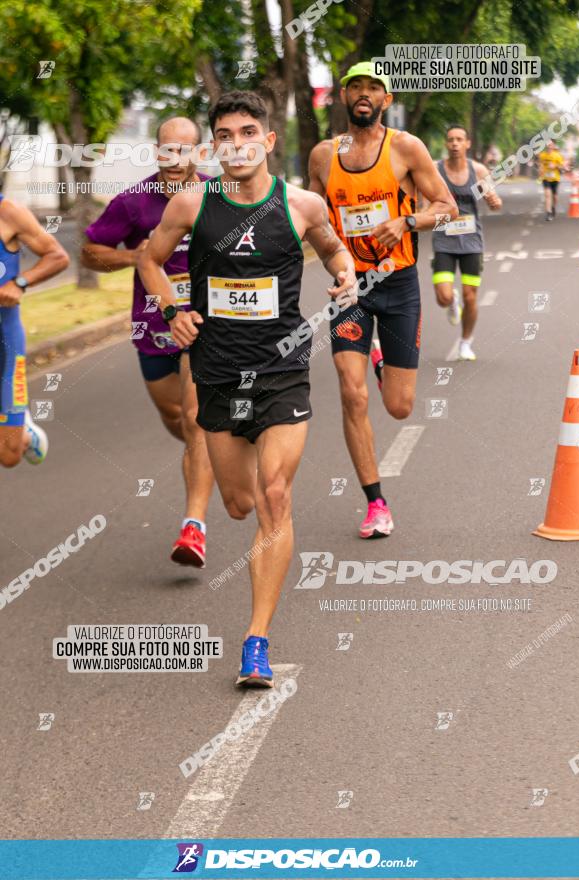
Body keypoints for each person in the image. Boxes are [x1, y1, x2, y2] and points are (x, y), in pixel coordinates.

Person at [139, 91, 357, 686]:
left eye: (248, 132)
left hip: (281, 371)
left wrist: (346, 277)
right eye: (225, 135)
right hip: (217, 373)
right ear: (214, 146)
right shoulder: (191, 204)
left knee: (275, 495)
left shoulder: (301, 205)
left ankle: (255, 640)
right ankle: (240, 486)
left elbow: (336, 251)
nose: (237, 144)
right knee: (238, 504)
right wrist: (170, 310)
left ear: (268, 141)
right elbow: (149, 258)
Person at [308, 61, 457, 539]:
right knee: (352, 395)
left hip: (398, 286)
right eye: (356, 88)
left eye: (374, 88)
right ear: (343, 97)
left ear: (387, 100)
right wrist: (335, 262)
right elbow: (312, 219)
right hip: (351, 289)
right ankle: (376, 504)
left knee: (398, 407)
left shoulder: (406, 148)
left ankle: (381, 359)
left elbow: (448, 207)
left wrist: (406, 223)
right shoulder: (322, 156)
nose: (365, 94)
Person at [82, 117, 214, 567]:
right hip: (152, 327)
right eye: (166, 149)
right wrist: (130, 256)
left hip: (203, 326)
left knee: (197, 419)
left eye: (184, 150)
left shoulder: (218, 196)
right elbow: (90, 251)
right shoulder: (133, 202)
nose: (174, 158)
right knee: (176, 417)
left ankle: (193, 527)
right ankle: (212, 454)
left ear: (199, 153)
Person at [0, 196, 69, 468]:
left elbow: (58, 256)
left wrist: (19, 283)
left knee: (8, 455)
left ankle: (25, 434)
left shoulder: (9, 212)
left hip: (4, 342)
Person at [431, 124, 502, 362]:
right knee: (442, 296)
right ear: (446, 143)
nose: (454, 144)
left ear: (467, 143)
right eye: (450, 139)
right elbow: (426, 202)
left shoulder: (478, 171)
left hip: (472, 242)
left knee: (471, 296)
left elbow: (495, 203)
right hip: (443, 239)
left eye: (459, 139)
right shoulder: (435, 170)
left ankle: (465, 342)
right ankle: (452, 301)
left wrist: (493, 200)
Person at [538, 141, 566, 221]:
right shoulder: (542, 155)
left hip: (555, 178)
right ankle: (548, 213)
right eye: (547, 145)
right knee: (547, 195)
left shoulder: (557, 155)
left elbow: (562, 167)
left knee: (555, 197)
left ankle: (553, 207)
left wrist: (555, 166)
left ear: (553, 146)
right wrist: (540, 169)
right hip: (546, 178)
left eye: (550, 145)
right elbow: (540, 164)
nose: (549, 146)